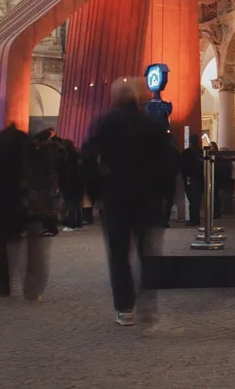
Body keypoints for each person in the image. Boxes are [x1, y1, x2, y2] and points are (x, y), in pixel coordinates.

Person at [83, 78, 178, 327]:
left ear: (115, 98)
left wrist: (96, 194)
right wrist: (164, 194)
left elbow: (89, 159)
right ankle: (148, 303)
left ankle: (125, 308)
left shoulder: (105, 123)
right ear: (138, 98)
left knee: (119, 254)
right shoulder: (153, 124)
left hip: (115, 197)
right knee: (148, 253)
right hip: (148, 197)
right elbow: (170, 161)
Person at [0, 123, 51, 302]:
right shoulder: (32, 160)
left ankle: (2, 285)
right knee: (33, 249)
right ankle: (32, 288)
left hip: (5, 210)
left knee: (2, 247)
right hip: (29, 209)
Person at [180, 136, 204, 227]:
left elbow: (183, 167)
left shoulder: (187, 153)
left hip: (190, 179)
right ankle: (196, 218)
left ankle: (194, 219)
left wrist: (184, 176)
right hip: (200, 179)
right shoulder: (201, 152)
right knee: (197, 200)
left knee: (192, 200)